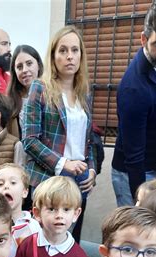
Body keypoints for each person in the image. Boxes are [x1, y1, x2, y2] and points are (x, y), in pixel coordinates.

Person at [22, 26, 97, 243]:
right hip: (49, 177)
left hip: (80, 177)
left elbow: (88, 141)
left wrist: (91, 169)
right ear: (53, 55)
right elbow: (29, 141)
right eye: (63, 50)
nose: (69, 56)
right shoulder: (40, 88)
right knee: (43, 242)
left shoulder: (84, 93)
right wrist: (64, 164)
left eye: (75, 50)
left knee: (70, 241)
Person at [111, 0, 156, 205]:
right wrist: (139, 197)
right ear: (144, 39)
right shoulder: (134, 88)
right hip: (135, 173)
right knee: (135, 231)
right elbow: (134, 156)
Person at [13, 176, 91, 257]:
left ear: (76, 214)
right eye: (51, 209)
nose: (59, 215)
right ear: (37, 213)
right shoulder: (27, 245)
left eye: (66, 209)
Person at [0, 162, 40, 253]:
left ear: (25, 192)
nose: (6, 186)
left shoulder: (34, 227)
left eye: (13, 183)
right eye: (0, 184)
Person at [7, 44, 43, 137]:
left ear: (38, 65)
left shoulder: (52, 96)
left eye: (29, 63)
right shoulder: (11, 102)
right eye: (19, 67)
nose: (24, 70)